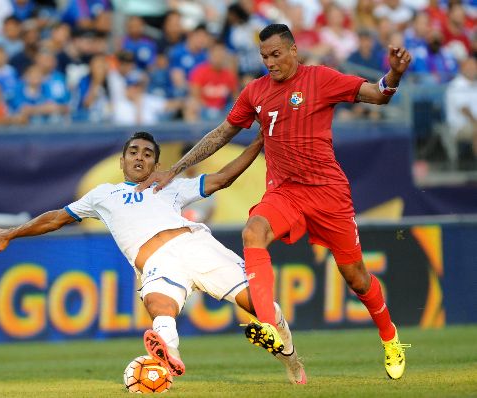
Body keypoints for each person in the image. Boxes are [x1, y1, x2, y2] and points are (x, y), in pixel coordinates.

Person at [136, 24, 413, 380]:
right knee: (253, 231)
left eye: (276, 54)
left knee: (356, 278)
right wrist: (174, 169)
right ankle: (268, 324)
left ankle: (390, 337)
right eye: (264, 56)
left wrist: (394, 74)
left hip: (328, 194)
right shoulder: (255, 91)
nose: (270, 62)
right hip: (284, 192)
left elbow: (377, 94)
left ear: (294, 50)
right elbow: (223, 132)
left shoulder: (321, 79)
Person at [0, 131, 306, 385]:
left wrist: (258, 144)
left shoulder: (170, 187)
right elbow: (56, 217)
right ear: (122, 161)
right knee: (158, 305)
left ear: (156, 164)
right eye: (133, 152)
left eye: (148, 154)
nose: (140, 157)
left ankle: (290, 358)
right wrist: (12, 233)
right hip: (156, 262)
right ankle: (170, 354)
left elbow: (222, 179)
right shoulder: (102, 195)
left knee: (260, 306)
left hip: (197, 246)